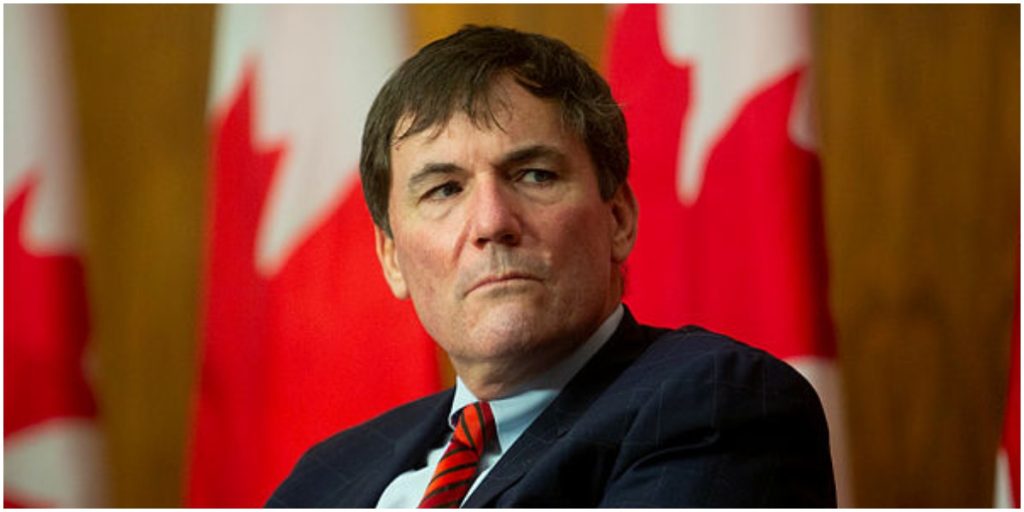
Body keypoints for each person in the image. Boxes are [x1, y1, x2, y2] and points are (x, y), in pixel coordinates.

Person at [267, 25, 836, 508]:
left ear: (618, 219)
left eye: (534, 175)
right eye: (444, 189)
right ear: (392, 257)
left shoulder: (715, 404)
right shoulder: (323, 479)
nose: (492, 221)